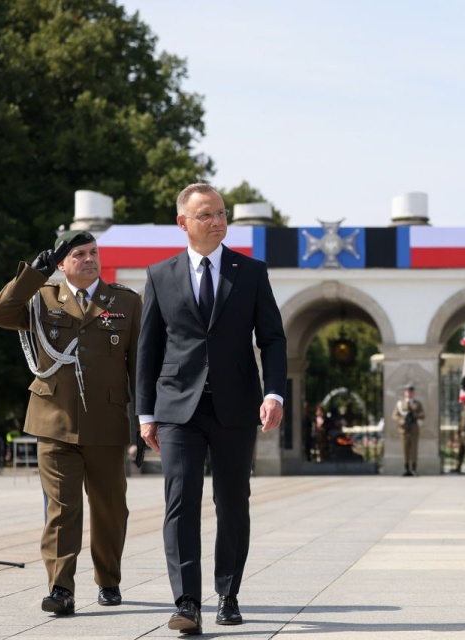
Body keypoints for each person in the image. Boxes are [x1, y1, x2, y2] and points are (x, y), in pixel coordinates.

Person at [136, 183, 287, 635]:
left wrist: (274, 393)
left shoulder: (251, 272)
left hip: (236, 406)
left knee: (232, 502)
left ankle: (228, 594)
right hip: (177, 408)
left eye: (221, 213)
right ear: (183, 222)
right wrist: (145, 413)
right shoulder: (160, 274)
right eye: (206, 215)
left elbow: (274, 339)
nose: (218, 221)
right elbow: (149, 347)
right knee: (180, 502)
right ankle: (187, 603)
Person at [0, 229, 142, 616]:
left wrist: (144, 421)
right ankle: (61, 588)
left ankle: (108, 579)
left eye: (93, 252)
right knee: (61, 509)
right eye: (79, 255)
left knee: (110, 509)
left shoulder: (125, 301)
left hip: (106, 422)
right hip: (53, 422)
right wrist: (33, 274)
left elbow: (138, 365)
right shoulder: (41, 299)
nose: (90, 259)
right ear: (62, 264)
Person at [392, 384, 424, 476]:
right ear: (404, 393)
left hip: (414, 428)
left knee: (414, 449)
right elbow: (395, 415)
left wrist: (414, 415)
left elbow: (422, 415)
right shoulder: (400, 403)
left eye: (411, 392)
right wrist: (402, 421)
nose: (409, 393)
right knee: (405, 449)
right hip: (404, 429)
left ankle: (414, 469)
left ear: (413, 393)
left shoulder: (417, 404)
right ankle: (406, 468)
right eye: (407, 392)